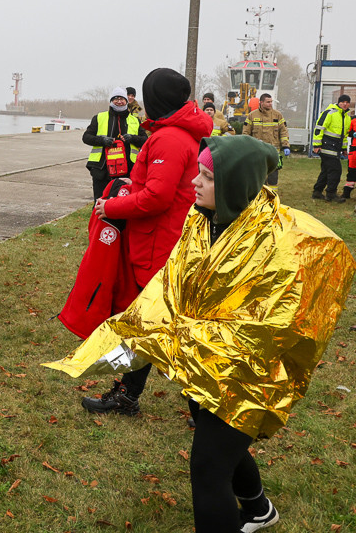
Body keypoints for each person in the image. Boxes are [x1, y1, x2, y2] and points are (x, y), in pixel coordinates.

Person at [47, 135, 355, 533]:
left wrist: (181, 340)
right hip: (202, 365)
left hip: (248, 375)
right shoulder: (202, 219)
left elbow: (271, 328)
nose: (195, 182)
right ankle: (259, 509)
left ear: (233, 185)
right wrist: (136, 333)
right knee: (215, 438)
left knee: (208, 470)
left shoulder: (283, 243)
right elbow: (173, 282)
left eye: (207, 177)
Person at [81, 68, 211, 415]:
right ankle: (130, 396)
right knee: (153, 326)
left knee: (161, 327)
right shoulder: (178, 133)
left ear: (156, 99)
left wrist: (111, 205)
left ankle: (204, 411)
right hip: (167, 239)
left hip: (159, 244)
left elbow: (157, 196)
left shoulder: (169, 138)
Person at [82, 87, 146, 200]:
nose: (119, 101)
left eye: (122, 99)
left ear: (126, 101)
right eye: (116, 98)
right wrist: (102, 140)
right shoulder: (99, 117)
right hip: (102, 169)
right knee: (99, 201)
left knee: (122, 203)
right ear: (111, 101)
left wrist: (132, 138)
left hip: (127, 170)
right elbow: (86, 137)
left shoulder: (135, 120)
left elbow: (145, 140)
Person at [242, 93, 288, 192]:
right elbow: (246, 133)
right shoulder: (252, 115)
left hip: (273, 151)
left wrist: (286, 146)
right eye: (268, 102)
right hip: (258, 152)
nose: (270, 104)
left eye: (271, 102)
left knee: (273, 177)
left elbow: (283, 131)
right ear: (261, 102)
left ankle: (272, 197)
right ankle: (258, 196)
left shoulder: (278, 115)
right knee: (258, 176)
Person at [312, 94, 351, 202]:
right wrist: (316, 145)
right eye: (343, 102)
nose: (345, 104)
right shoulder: (330, 112)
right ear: (338, 102)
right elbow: (319, 128)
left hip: (335, 147)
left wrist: (344, 149)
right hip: (326, 145)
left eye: (347, 102)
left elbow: (344, 136)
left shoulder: (346, 117)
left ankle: (317, 192)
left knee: (326, 170)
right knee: (335, 170)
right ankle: (331, 194)